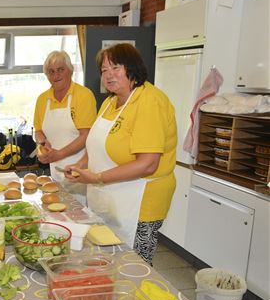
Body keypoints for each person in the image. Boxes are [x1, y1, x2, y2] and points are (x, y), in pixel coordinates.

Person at [64, 43, 176, 265]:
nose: (108, 75)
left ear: (132, 68)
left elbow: (147, 164)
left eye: (115, 68)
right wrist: (80, 166)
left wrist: (96, 178)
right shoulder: (109, 102)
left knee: (135, 265)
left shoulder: (149, 101)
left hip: (141, 199)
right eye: (104, 70)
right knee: (109, 258)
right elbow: (95, 145)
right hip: (112, 195)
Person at [33, 50, 97, 187]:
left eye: (60, 70)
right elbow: (38, 131)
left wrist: (59, 154)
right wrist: (42, 144)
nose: (56, 75)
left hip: (80, 172)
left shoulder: (83, 95)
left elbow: (86, 135)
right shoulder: (42, 99)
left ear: (70, 70)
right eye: (51, 71)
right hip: (55, 171)